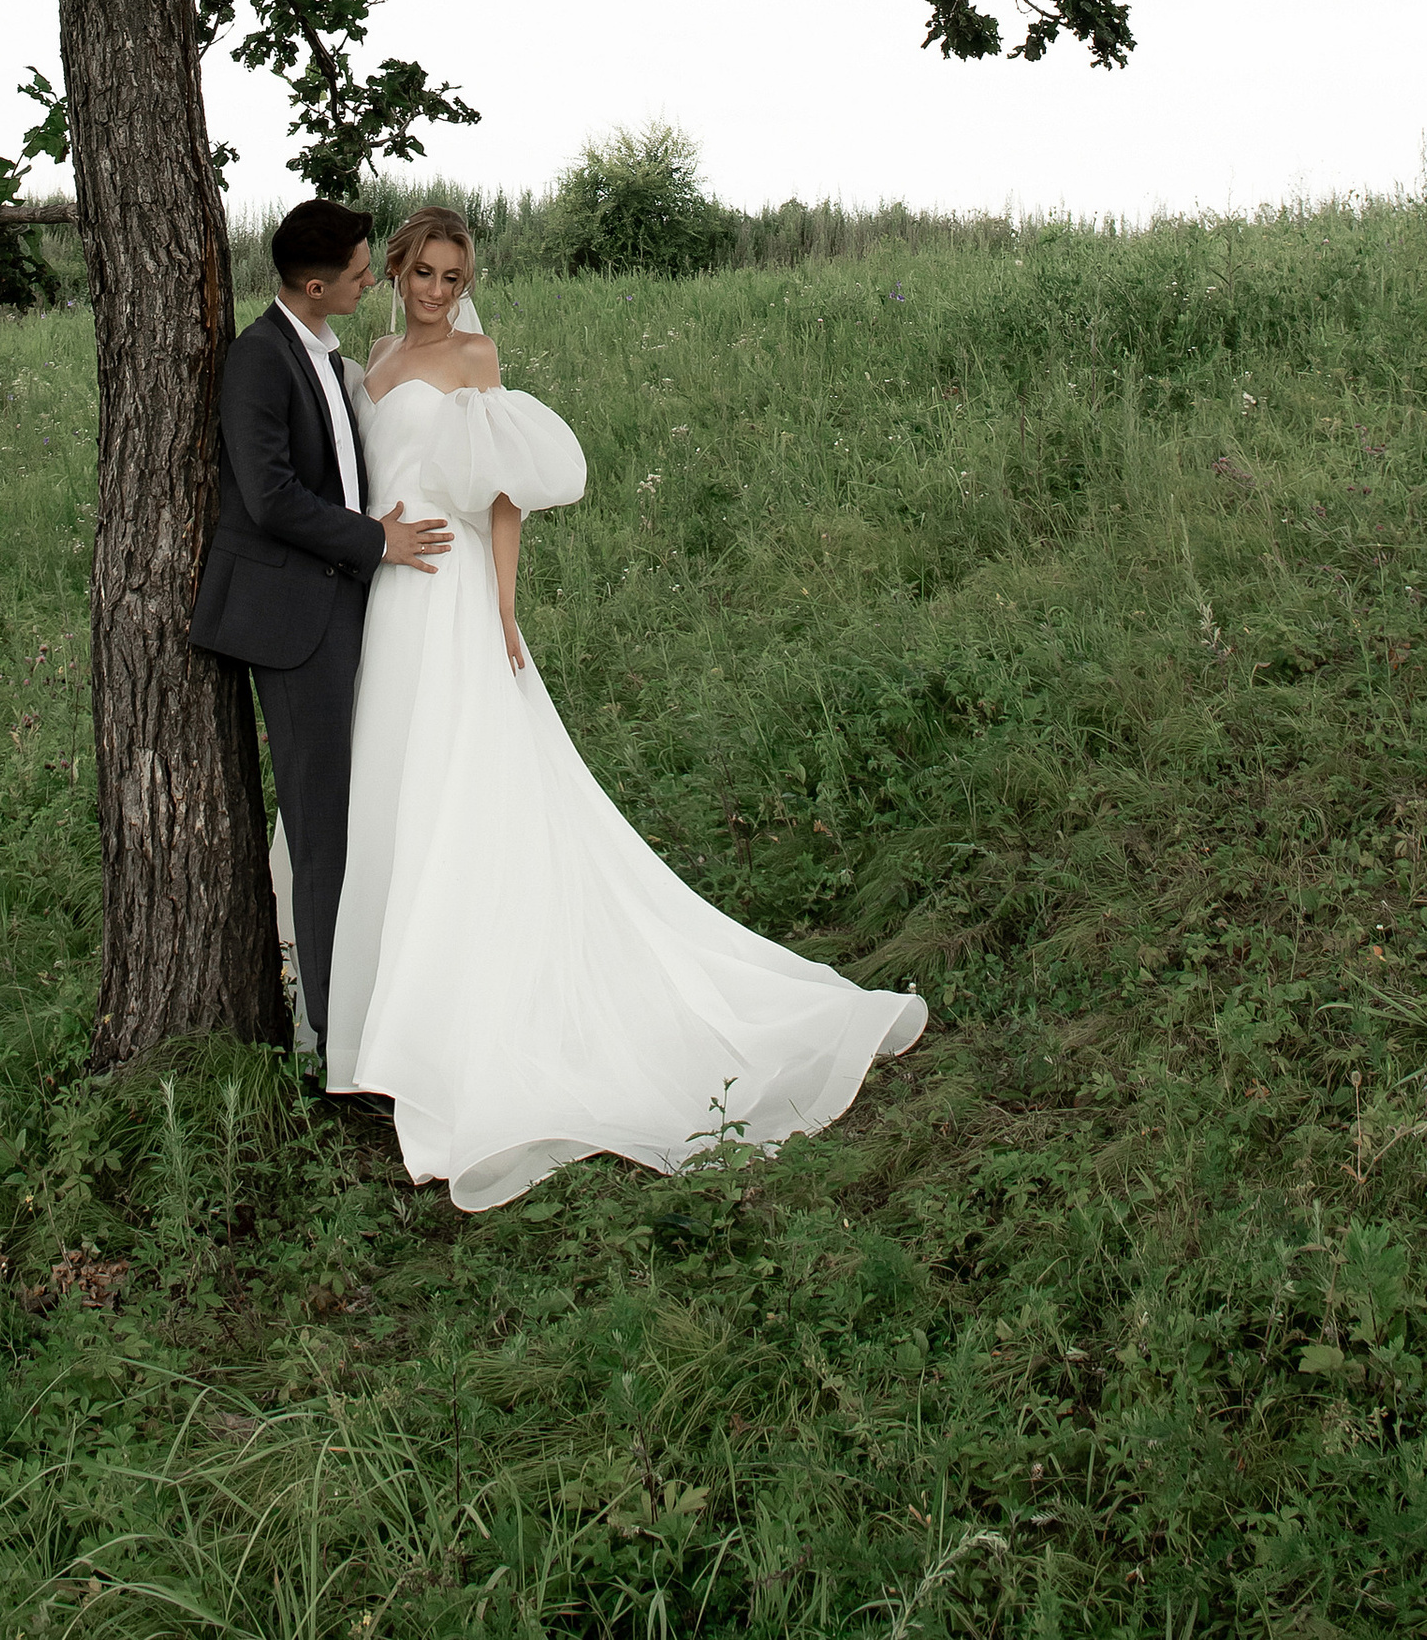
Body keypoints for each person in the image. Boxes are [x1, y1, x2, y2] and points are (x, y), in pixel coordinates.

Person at [326, 208, 927, 1209]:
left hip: (456, 593)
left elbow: (504, 492)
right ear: (392, 272)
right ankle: (385, 1032)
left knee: (465, 798)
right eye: (422, 271)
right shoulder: (376, 355)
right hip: (387, 600)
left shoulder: (475, 355)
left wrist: (507, 608)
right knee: (390, 794)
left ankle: (472, 1032)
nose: (436, 287)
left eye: (452, 272)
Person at [187, 198, 450, 1056]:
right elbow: (269, 498)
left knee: (355, 810)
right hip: (292, 620)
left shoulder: (328, 353)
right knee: (320, 825)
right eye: (360, 271)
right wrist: (379, 540)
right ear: (315, 284)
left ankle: (362, 1003)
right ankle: (336, 1035)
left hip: (344, 602)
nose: (372, 278)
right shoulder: (260, 360)